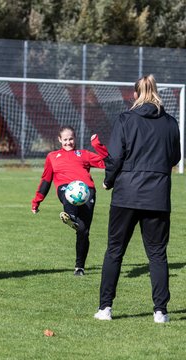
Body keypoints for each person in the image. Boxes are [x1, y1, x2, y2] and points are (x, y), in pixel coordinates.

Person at [94, 74, 181, 323]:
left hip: (126, 195)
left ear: (135, 94)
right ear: (156, 91)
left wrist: (109, 180)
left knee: (114, 251)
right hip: (157, 195)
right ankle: (160, 312)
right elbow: (175, 157)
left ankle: (105, 308)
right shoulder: (170, 123)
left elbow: (115, 157)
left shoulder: (125, 119)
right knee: (157, 254)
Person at [31, 125, 108, 276]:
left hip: (88, 192)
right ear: (59, 140)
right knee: (67, 191)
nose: (68, 142)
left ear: (75, 138)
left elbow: (107, 161)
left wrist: (97, 145)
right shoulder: (52, 157)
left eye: (71, 139)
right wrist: (37, 200)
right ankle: (70, 216)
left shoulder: (84, 154)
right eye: (65, 139)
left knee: (84, 232)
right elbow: (46, 180)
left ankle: (79, 267)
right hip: (66, 189)